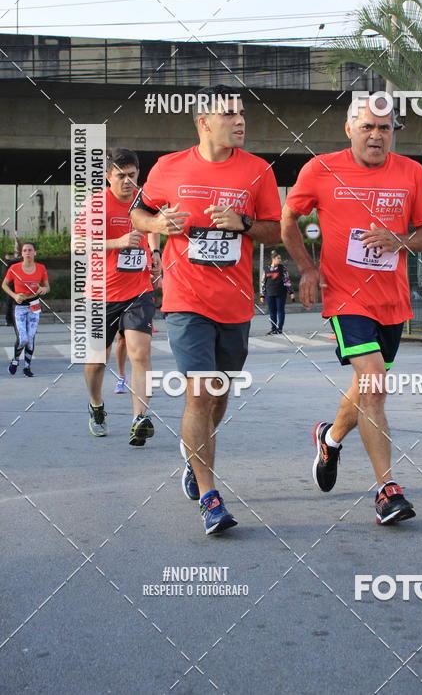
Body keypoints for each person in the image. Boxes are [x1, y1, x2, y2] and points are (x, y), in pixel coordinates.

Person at [131, 84, 281, 535]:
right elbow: (140, 213)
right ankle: (210, 496)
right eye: (230, 114)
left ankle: (192, 456)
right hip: (186, 300)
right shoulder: (169, 167)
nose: (241, 121)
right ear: (204, 122)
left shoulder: (258, 171)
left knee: (218, 394)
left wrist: (245, 223)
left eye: (243, 114)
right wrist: (158, 222)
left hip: (235, 304)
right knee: (198, 392)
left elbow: (276, 230)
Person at [282, 95, 422, 525]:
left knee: (368, 387)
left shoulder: (411, 173)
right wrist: (307, 268)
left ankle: (329, 439)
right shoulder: (320, 169)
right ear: (349, 129)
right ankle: (387, 490)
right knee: (374, 385)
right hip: (346, 297)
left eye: (384, 128)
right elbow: (287, 218)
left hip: (392, 301)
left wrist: (399, 240)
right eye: (368, 126)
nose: (376, 135)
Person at [72, 148, 162, 445]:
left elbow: (154, 227)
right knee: (97, 361)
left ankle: (139, 417)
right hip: (100, 293)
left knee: (140, 353)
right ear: (108, 176)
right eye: (121, 175)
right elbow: (77, 245)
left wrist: (156, 253)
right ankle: (97, 406)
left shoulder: (145, 200)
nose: (127, 181)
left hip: (138, 291)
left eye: (132, 175)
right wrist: (117, 242)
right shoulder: (96, 204)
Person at [2, 242, 50, 377]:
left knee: (30, 338)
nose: (27, 252)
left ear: (35, 253)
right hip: (19, 307)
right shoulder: (14, 268)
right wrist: (14, 295)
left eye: (30, 250)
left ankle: (27, 367)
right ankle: (15, 360)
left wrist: (44, 289)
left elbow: (47, 287)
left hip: (34, 306)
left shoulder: (41, 268)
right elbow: (4, 285)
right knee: (23, 338)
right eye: (25, 250)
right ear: (21, 253)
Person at [260, 250, 294, 334]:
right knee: (272, 312)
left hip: (281, 293)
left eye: (280, 258)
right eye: (278, 258)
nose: (280, 260)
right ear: (273, 259)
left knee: (280, 310)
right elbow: (262, 282)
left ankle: (280, 329)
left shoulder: (283, 268)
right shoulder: (266, 269)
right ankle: (273, 328)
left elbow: (287, 281)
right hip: (269, 293)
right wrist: (262, 295)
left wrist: (291, 292)